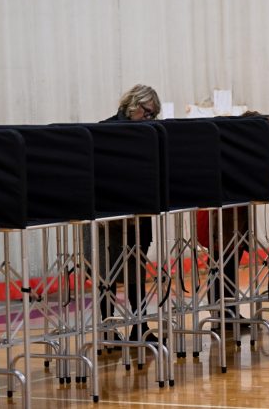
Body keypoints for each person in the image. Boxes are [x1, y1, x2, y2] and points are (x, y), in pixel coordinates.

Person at [86, 84, 162, 346]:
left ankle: (139, 326)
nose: (150, 119)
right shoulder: (104, 130)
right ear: (133, 104)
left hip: (139, 214)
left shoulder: (148, 133)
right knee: (106, 275)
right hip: (110, 214)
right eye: (147, 112)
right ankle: (106, 330)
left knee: (136, 274)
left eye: (153, 115)